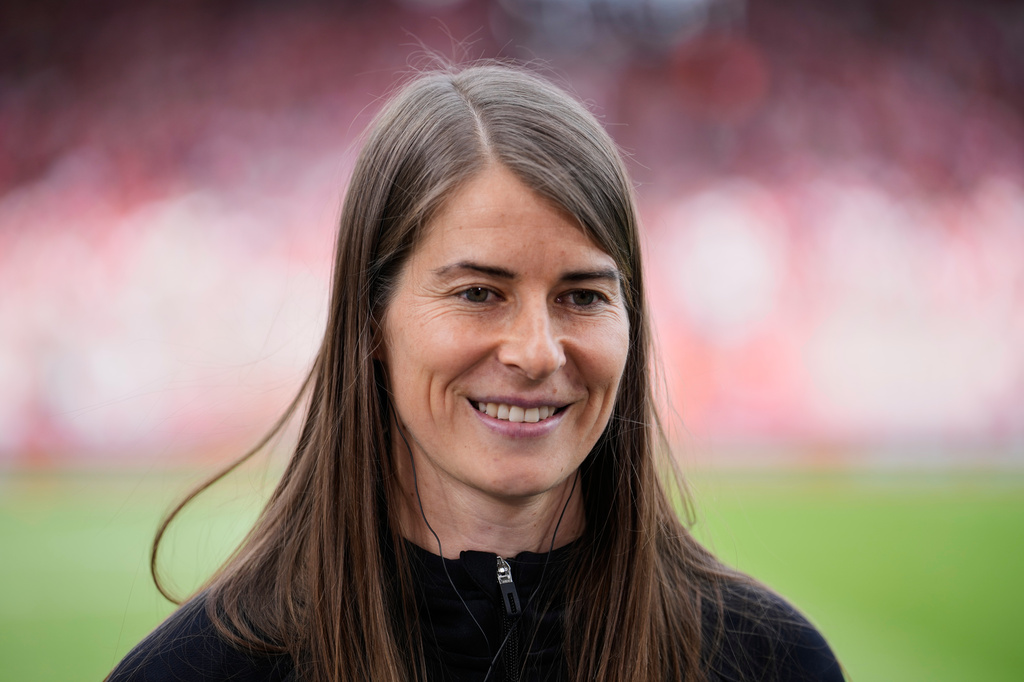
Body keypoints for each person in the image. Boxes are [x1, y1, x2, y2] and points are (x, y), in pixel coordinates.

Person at [107, 63, 844, 682]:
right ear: (370, 319)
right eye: (479, 294)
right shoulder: (200, 670)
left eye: (582, 296)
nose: (537, 351)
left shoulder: (772, 663)